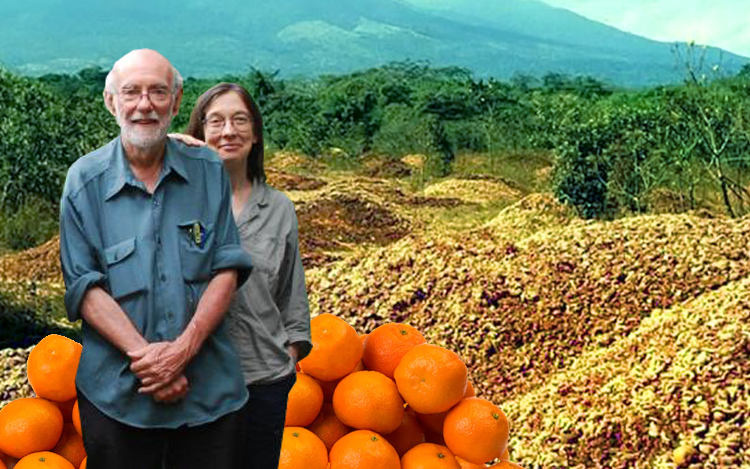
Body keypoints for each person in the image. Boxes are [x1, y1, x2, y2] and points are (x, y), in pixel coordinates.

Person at [58, 50, 253, 469]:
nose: (144, 104)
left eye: (158, 92)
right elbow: (84, 286)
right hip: (119, 397)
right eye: (131, 92)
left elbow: (227, 266)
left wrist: (183, 350)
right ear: (112, 102)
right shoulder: (84, 182)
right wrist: (154, 364)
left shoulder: (208, 171)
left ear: (177, 102)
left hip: (209, 393)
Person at [183, 82, 313, 469]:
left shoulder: (278, 208)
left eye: (240, 120)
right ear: (200, 134)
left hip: (263, 380)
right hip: (195, 380)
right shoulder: (180, 204)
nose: (228, 131)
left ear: (256, 134)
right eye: (216, 121)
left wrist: (289, 358)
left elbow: (292, 293)